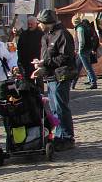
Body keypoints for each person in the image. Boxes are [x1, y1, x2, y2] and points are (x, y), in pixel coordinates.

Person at [32, 9, 77, 149]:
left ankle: (67, 137)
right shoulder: (47, 36)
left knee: (61, 107)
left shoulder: (62, 34)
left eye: (40, 22)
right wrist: (41, 67)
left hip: (61, 76)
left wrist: (45, 63)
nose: (38, 25)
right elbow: (47, 57)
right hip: (51, 76)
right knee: (54, 108)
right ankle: (59, 135)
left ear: (47, 23)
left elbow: (65, 57)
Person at [71, 15, 98, 90]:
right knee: (78, 68)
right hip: (86, 49)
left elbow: (81, 41)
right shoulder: (84, 27)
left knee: (87, 68)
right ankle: (72, 84)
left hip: (83, 51)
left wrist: (79, 50)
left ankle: (93, 83)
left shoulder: (80, 28)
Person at [16, 16, 44, 80]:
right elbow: (20, 49)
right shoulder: (23, 35)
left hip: (37, 62)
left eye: (32, 24)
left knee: (38, 83)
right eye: (29, 24)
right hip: (26, 63)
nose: (30, 26)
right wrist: (20, 63)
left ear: (36, 23)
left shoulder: (41, 35)